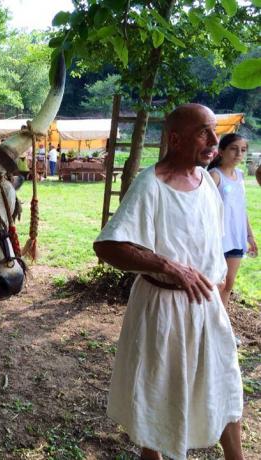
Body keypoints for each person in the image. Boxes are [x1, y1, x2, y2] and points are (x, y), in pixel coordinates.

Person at [93, 104, 244, 460]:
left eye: (214, 131)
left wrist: (219, 287)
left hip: (206, 306)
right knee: (160, 390)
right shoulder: (151, 185)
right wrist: (168, 266)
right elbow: (108, 246)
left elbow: (208, 241)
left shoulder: (206, 180)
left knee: (224, 382)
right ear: (174, 139)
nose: (213, 141)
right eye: (202, 132)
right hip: (163, 308)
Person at [208, 134, 257, 307]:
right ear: (221, 151)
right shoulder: (213, 176)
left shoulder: (241, 175)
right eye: (233, 149)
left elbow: (240, 209)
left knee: (228, 285)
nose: (238, 154)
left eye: (243, 150)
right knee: (214, 285)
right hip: (217, 240)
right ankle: (205, 328)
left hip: (236, 238)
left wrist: (250, 237)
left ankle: (222, 329)